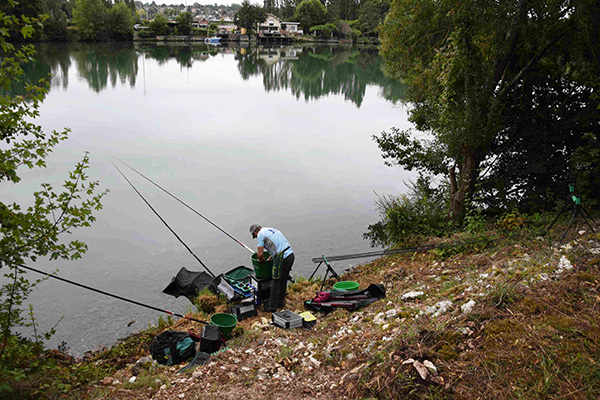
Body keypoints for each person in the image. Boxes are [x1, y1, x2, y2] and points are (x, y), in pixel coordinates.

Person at [249, 224, 294, 312]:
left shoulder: (260, 235)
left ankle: (272, 307)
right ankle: (280, 303)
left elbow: (260, 254)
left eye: (254, 236)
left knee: (275, 281)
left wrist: (261, 261)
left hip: (281, 257)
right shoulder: (270, 229)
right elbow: (276, 245)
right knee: (283, 280)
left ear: (255, 232)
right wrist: (270, 257)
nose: (255, 237)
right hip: (290, 255)